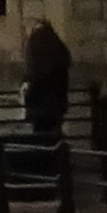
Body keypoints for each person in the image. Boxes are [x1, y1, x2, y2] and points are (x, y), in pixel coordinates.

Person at [22, 13, 75, 157]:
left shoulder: (37, 52)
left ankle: (48, 162)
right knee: (53, 135)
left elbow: (33, 79)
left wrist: (28, 93)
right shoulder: (58, 52)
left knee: (42, 138)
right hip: (56, 104)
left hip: (41, 106)